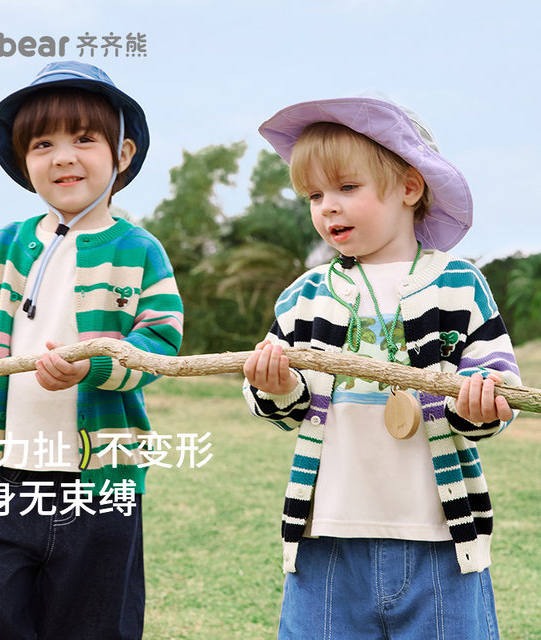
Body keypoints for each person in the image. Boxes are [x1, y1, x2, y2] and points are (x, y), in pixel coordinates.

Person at [0, 61, 183, 640]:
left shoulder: (139, 251)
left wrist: (95, 363)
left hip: (102, 488)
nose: (63, 157)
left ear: (123, 153)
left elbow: (159, 340)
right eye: (42, 144)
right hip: (1, 483)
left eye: (84, 139)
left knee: (95, 625)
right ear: (23, 160)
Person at [242, 97, 520, 639]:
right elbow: (283, 409)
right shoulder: (306, 296)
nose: (328, 207)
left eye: (347, 187)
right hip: (325, 536)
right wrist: (275, 386)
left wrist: (483, 401)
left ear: (410, 188)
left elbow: (497, 384)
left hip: (441, 537)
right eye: (315, 195)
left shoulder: (457, 284)